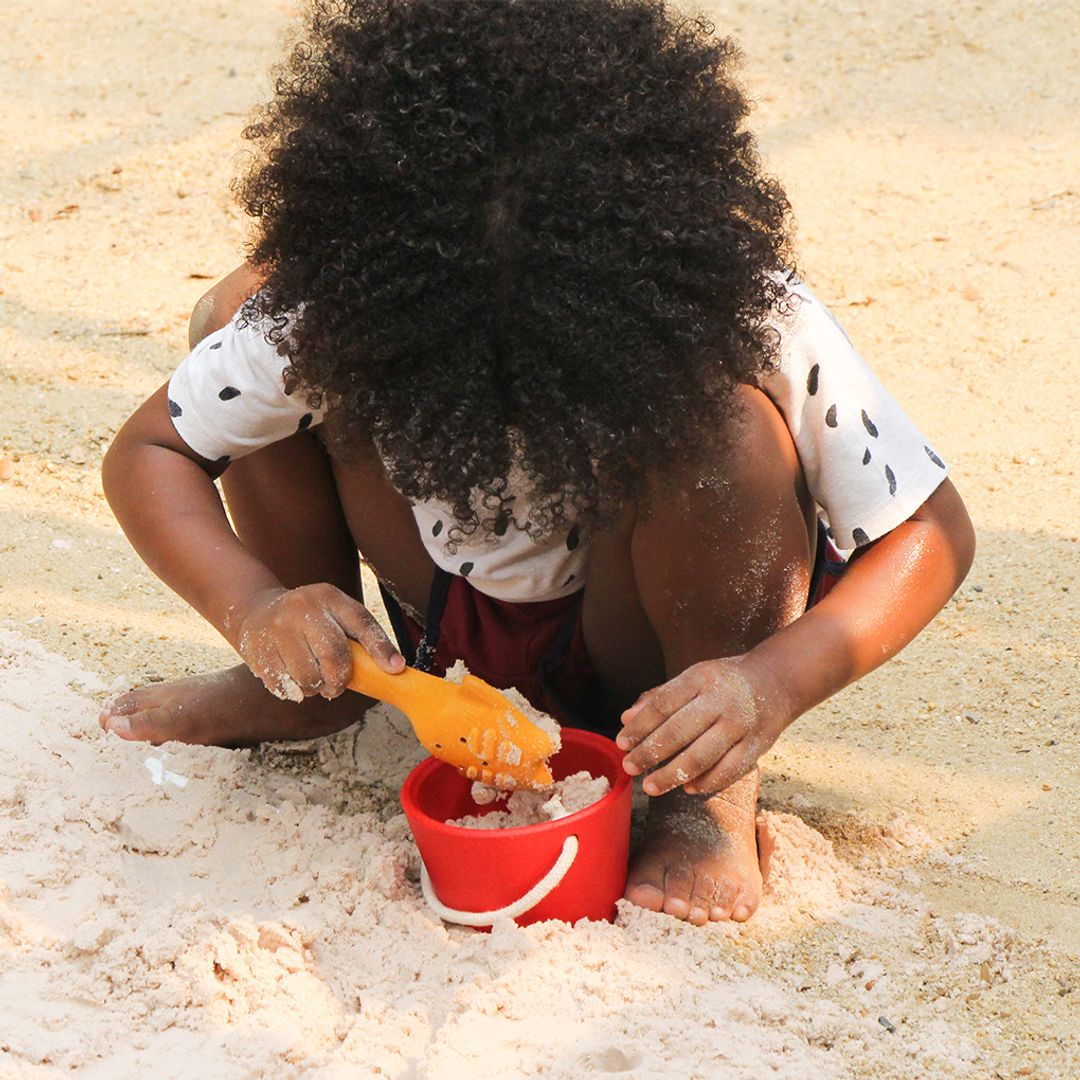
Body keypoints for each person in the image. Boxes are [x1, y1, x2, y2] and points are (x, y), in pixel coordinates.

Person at [99, 0, 974, 926]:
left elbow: (931, 532)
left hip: (641, 646)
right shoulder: (336, 304)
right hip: (424, 613)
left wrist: (772, 683)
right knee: (236, 320)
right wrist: (259, 607)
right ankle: (310, 680)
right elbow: (152, 451)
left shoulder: (737, 307)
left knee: (728, 433)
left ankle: (703, 797)